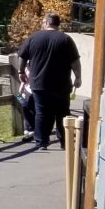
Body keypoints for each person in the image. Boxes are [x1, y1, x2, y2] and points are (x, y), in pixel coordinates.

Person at [16, 13, 82, 150]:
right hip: (61, 83)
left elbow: (22, 57)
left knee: (42, 112)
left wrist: (21, 72)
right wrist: (78, 77)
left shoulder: (34, 38)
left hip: (39, 83)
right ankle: (65, 142)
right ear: (58, 24)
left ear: (46, 22)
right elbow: (75, 61)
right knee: (62, 112)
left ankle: (41, 142)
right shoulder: (65, 39)